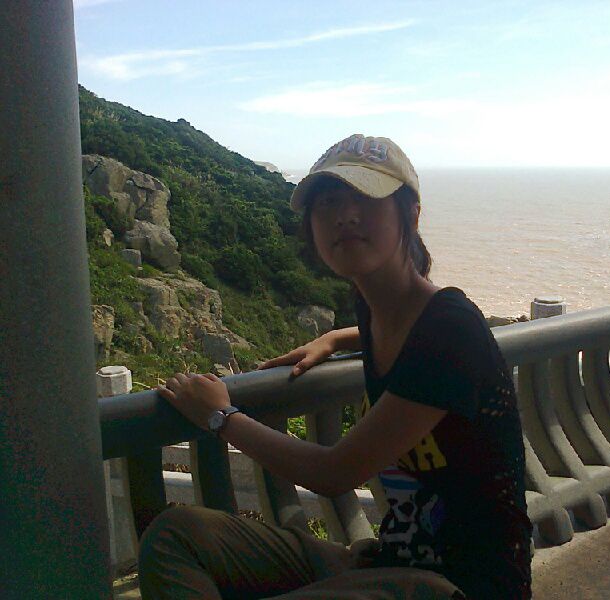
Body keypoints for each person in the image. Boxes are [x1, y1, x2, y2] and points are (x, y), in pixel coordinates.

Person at [139, 134, 533, 599]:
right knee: (176, 535)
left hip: (462, 586)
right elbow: (387, 334)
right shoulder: (376, 312)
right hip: (390, 562)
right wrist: (332, 339)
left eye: (366, 197)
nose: (345, 215)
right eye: (328, 202)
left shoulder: (451, 327)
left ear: (410, 215)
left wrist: (221, 416)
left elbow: (335, 473)